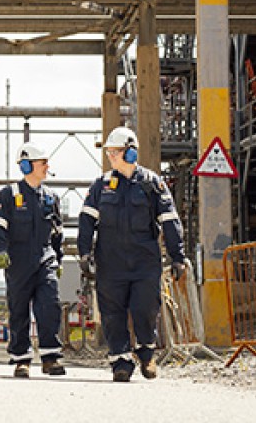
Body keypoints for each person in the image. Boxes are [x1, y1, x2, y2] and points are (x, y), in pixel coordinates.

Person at [77, 126, 187, 382]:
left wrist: (177, 256)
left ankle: (147, 353)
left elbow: (170, 220)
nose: (110, 157)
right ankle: (121, 361)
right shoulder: (100, 186)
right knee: (112, 313)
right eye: (109, 152)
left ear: (130, 153)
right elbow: (86, 221)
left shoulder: (152, 184)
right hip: (110, 262)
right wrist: (84, 254)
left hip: (144, 262)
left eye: (115, 152)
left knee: (145, 307)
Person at [0, 141, 65, 378]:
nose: (46, 167)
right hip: (18, 261)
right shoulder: (9, 194)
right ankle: (21, 359)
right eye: (42, 163)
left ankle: (50, 358)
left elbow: (57, 233)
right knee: (19, 309)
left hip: (45, 259)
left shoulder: (51, 198)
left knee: (49, 305)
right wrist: (1, 251)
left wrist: (58, 260)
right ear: (26, 165)